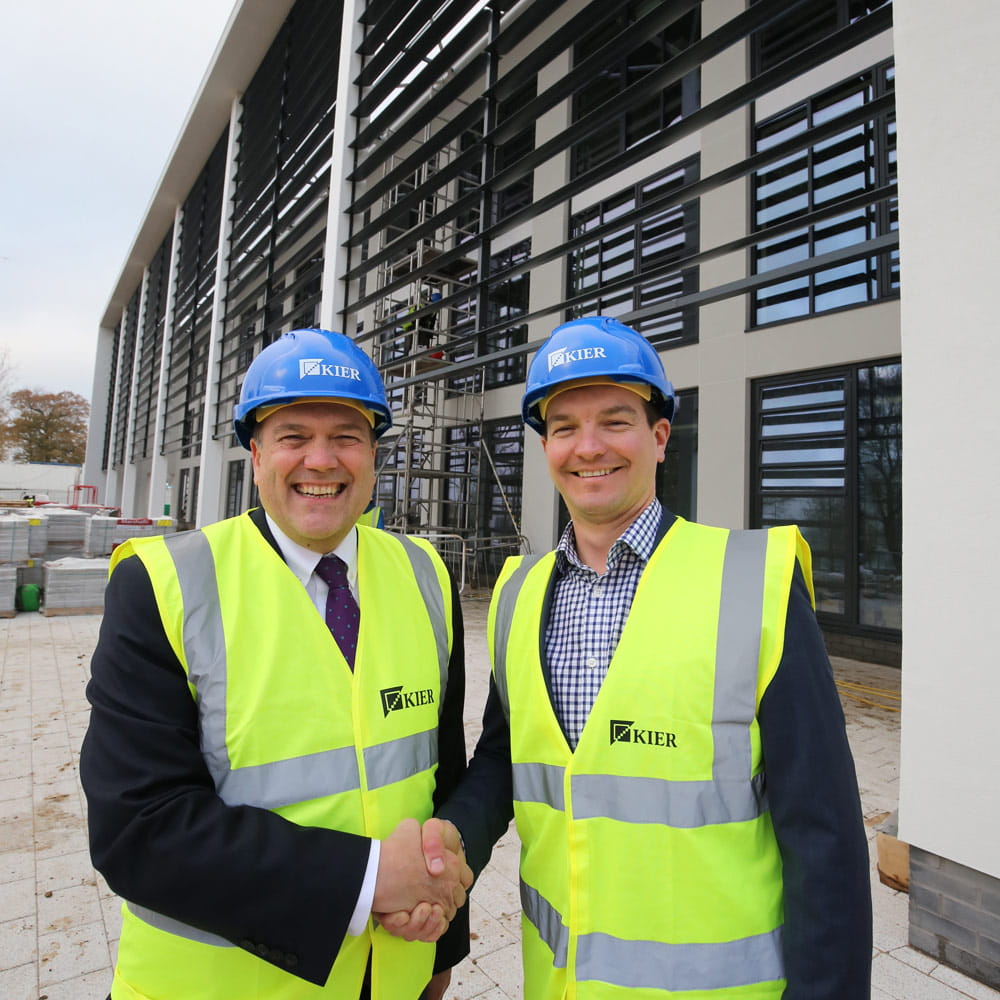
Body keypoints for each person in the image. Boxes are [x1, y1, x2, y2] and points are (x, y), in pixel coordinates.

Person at [430, 317, 873, 998]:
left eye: (615, 421)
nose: (589, 447)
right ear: (546, 445)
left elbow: (826, 838)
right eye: (565, 427)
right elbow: (504, 756)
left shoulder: (753, 584)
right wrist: (449, 843)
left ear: (659, 437)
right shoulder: (519, 593)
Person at [81, 328, 473, 1000]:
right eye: (293, 435)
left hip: (394, 980)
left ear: (374, 454)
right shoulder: (165, 583)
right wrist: (373, 880)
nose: (321, 460)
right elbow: (138, 827)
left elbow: (440, 776)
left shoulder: (426, 575)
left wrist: (441, 954)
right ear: (256, 453)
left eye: (346, 435)